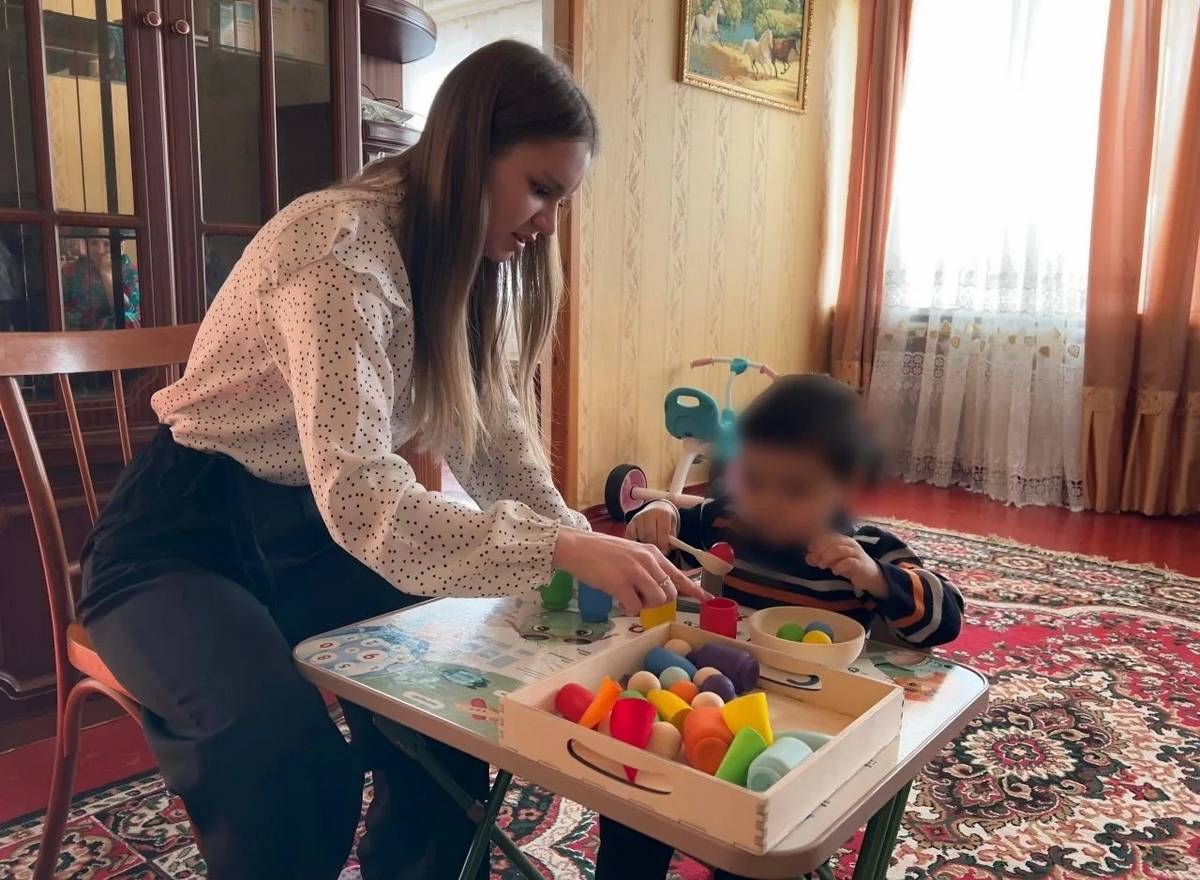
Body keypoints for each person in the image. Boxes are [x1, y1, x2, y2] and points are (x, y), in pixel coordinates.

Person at [78, 40, 703, 880]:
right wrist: (559, 546)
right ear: (469, 151)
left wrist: (587, 554)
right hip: (178, 544)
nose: (549, 224)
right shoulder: (339, 252)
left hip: (311, 528)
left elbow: (499, 446)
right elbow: (368, 504)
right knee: (285, 766)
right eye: (540, 189)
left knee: (447, 714)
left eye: (563, 199)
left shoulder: (461, 267)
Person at [596, 373, 964, 880]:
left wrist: (878, 580)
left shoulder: (866, 551)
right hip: (710, 702)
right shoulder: (728, 521)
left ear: (845, 487)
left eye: (796, 488)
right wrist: (659, 513)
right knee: (629, 804)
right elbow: (675, 534)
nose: (767, 502)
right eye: (753, 480)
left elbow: (947, 619)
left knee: (754, 850)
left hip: (797, 741)